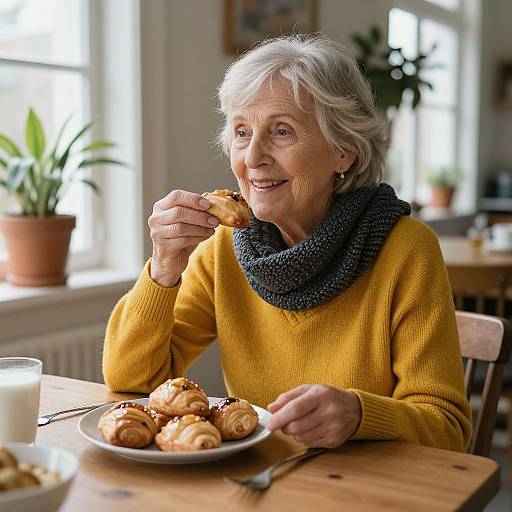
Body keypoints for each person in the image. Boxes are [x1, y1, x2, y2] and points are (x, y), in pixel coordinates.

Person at [103, 35, 471, 451]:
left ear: (344, 152)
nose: (253, 156)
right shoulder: (223, 249)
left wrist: (359, 415)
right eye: (241, 132)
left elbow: (448, 431)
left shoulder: (406, 249)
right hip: (259, 479)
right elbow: (131, 384)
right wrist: (164, 269)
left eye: (281, 131)